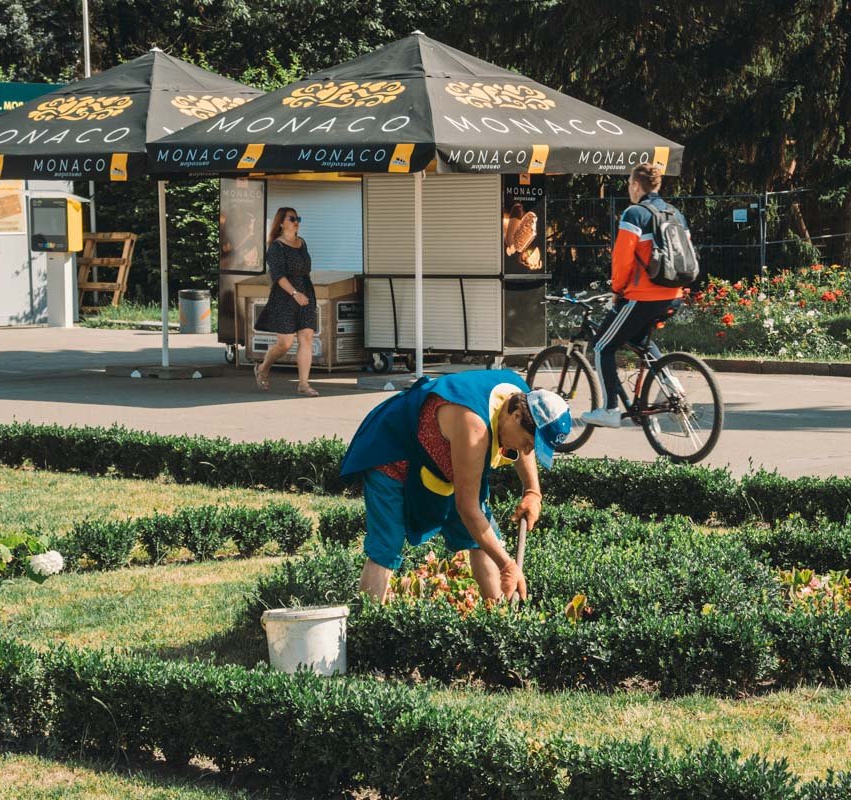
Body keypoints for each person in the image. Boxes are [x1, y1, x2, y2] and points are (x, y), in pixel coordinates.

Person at [340, 369, 572, 603]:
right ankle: (368, 626)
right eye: (528, 443)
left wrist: (533, 492)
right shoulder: (474, 428)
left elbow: (524, 441)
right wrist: (508, 565)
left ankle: (500, 620)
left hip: (442, 462)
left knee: (484, 539)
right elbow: (468, 508)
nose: (526, 451)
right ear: (516, 415)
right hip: (394, 452)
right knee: (386, 547)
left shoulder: (519, 397)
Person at [582, 164, 686, 428]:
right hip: (673, 293)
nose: (629, 187)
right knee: (640, 340)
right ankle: (671, 386)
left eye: (629, 183)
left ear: (637, 185)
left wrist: (617, 290)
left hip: (643, 295)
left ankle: (609, 409)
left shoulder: (635, 213)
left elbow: (622, 258)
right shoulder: (675, 213)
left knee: (602, 346)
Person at [253, 207, 319, 395]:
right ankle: (263, 368)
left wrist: (302, 293)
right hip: (285, 296)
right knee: (285, 343)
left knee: (306, 337)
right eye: (292, 218)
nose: (296, 221)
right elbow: (278, 275)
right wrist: (294, 293)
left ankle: (303, 384)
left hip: (306, 293)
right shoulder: (276, 246)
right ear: (281, 223)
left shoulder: (302, 243)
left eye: (298, 218)